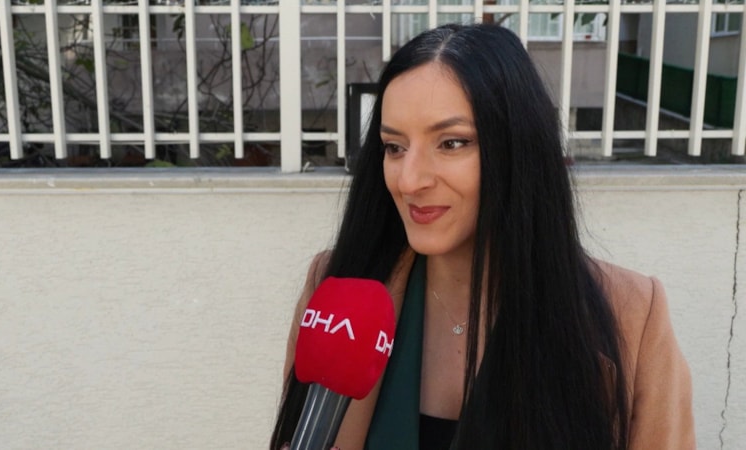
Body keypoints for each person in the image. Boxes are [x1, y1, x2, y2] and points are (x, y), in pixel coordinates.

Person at [271, 23, 694, 450]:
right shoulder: (338, 289)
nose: (410, 180)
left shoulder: (633, 315)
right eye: (394, 147)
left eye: (452, 143)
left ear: (518, 147)